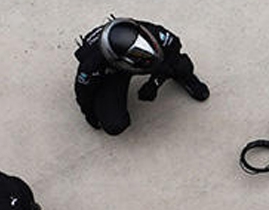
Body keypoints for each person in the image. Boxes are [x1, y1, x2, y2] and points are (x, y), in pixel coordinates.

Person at [73, 17, 209, 136]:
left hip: (142, 56)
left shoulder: (156, 33)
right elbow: (83, 93)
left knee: (181, 65)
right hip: (113, 74)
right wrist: (90, 114)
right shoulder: (91, 65)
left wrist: (155, 82)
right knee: (114, 124)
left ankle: (185, 78)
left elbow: (173, 52)